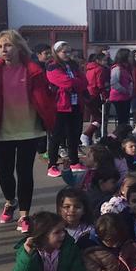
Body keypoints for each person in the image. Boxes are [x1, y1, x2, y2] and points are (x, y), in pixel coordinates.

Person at [0, 29, 56, 230]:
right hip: (2, 132)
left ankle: (24, 215)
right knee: (5, 174)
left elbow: (46, 97)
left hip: (29, 130)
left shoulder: (33, 70)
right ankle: (10, 201)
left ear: (19, 46)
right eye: (0, 46)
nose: (4, 50)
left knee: (25, 172)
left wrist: (48, 116)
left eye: (8, 45)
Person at [45, 41, 88, 178]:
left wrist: (75, 84)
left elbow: (84, 81)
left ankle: (74, 161)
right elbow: (65, 82)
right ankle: (52, 164)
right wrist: (76, 83)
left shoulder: (73, 65)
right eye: (64, 52)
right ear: (56, 53)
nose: (68, 54)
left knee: (74, 135)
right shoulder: (52, 67)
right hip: (61, 106)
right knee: (57, 136)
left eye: (69, 51)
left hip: (75, 105)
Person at [107, 48, 134, 129]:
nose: (131, 58)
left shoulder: (126, 68)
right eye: (129, 56)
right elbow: (114, 83)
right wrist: (125, 90)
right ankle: (121, 135)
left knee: (126, 118)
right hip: (118, 97)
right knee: (122, 118)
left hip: (126, 97)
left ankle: (124, 133)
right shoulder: (117, 68)